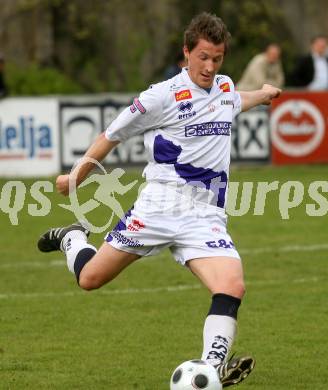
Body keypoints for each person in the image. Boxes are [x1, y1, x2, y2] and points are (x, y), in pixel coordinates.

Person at [38, 12, 281, 387]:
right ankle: (73, 238)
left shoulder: (224, 87)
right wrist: (76, 176)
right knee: (89, 279)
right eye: (202, 57)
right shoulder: (161, 95)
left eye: (217, 58)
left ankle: (211, 369)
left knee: (232, 285)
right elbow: (112, 134)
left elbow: (234, 99)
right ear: (186, 52)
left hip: (204, 215)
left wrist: (262, 95)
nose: (209, 66)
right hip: (158, 208)